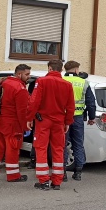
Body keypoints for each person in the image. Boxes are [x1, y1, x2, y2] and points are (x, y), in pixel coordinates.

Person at [27, 60, 75, 190]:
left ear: (49, 68)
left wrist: (30, 117)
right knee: (58, 149)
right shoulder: (67, 85)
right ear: (61, 70)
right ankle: (57, 182)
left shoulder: (42, 81)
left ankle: (43, 181)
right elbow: (71, 107)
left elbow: (34, 101)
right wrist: (67, 122)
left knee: (41, 148)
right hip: (59, 121)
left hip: (43, 120)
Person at [0, 64, 31, 182]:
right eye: (27, 74)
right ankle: (13, 175)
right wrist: (25, 126)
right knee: (13, 148)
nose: (28, 77)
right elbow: (22, 111)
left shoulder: (5, 82)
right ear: (19, 74)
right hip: (12, 123)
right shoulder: (20, 89)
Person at [63, 60, 96, 182]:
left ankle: (63, 173)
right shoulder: (84, 82)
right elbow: (90, 103)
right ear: (77, 70)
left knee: (63, 144)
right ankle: (78, 172)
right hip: (77, 117)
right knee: (78, 144)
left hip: (63, 118)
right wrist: (92, 117)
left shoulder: (62, 81)